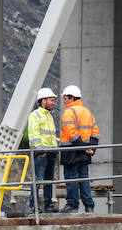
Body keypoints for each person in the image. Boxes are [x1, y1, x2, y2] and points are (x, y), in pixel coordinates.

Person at [58, 84, 100, 214]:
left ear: (71, 98)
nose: (64, 100)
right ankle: (89, 206)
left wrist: (83, 148)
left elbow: (71, 133)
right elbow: (95, 132)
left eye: (65, 98)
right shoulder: (87, 112)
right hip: (85, 152)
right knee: (84, 179)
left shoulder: (69, 112)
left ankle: (72, 204)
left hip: (71, 151)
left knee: (72, 179)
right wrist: (91, 148)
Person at [27, 87, 59, 213]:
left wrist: (54, 150)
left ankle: (48, 204)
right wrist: (40, 151)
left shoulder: (49, 116)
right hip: (41, 154)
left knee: (48, 181)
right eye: (51, 100)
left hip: (50, 153)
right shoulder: (35, 115)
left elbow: (50, 136)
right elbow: (34, 135)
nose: (53, 103)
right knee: (38, 180)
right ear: (43, 100)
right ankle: (33, 205)